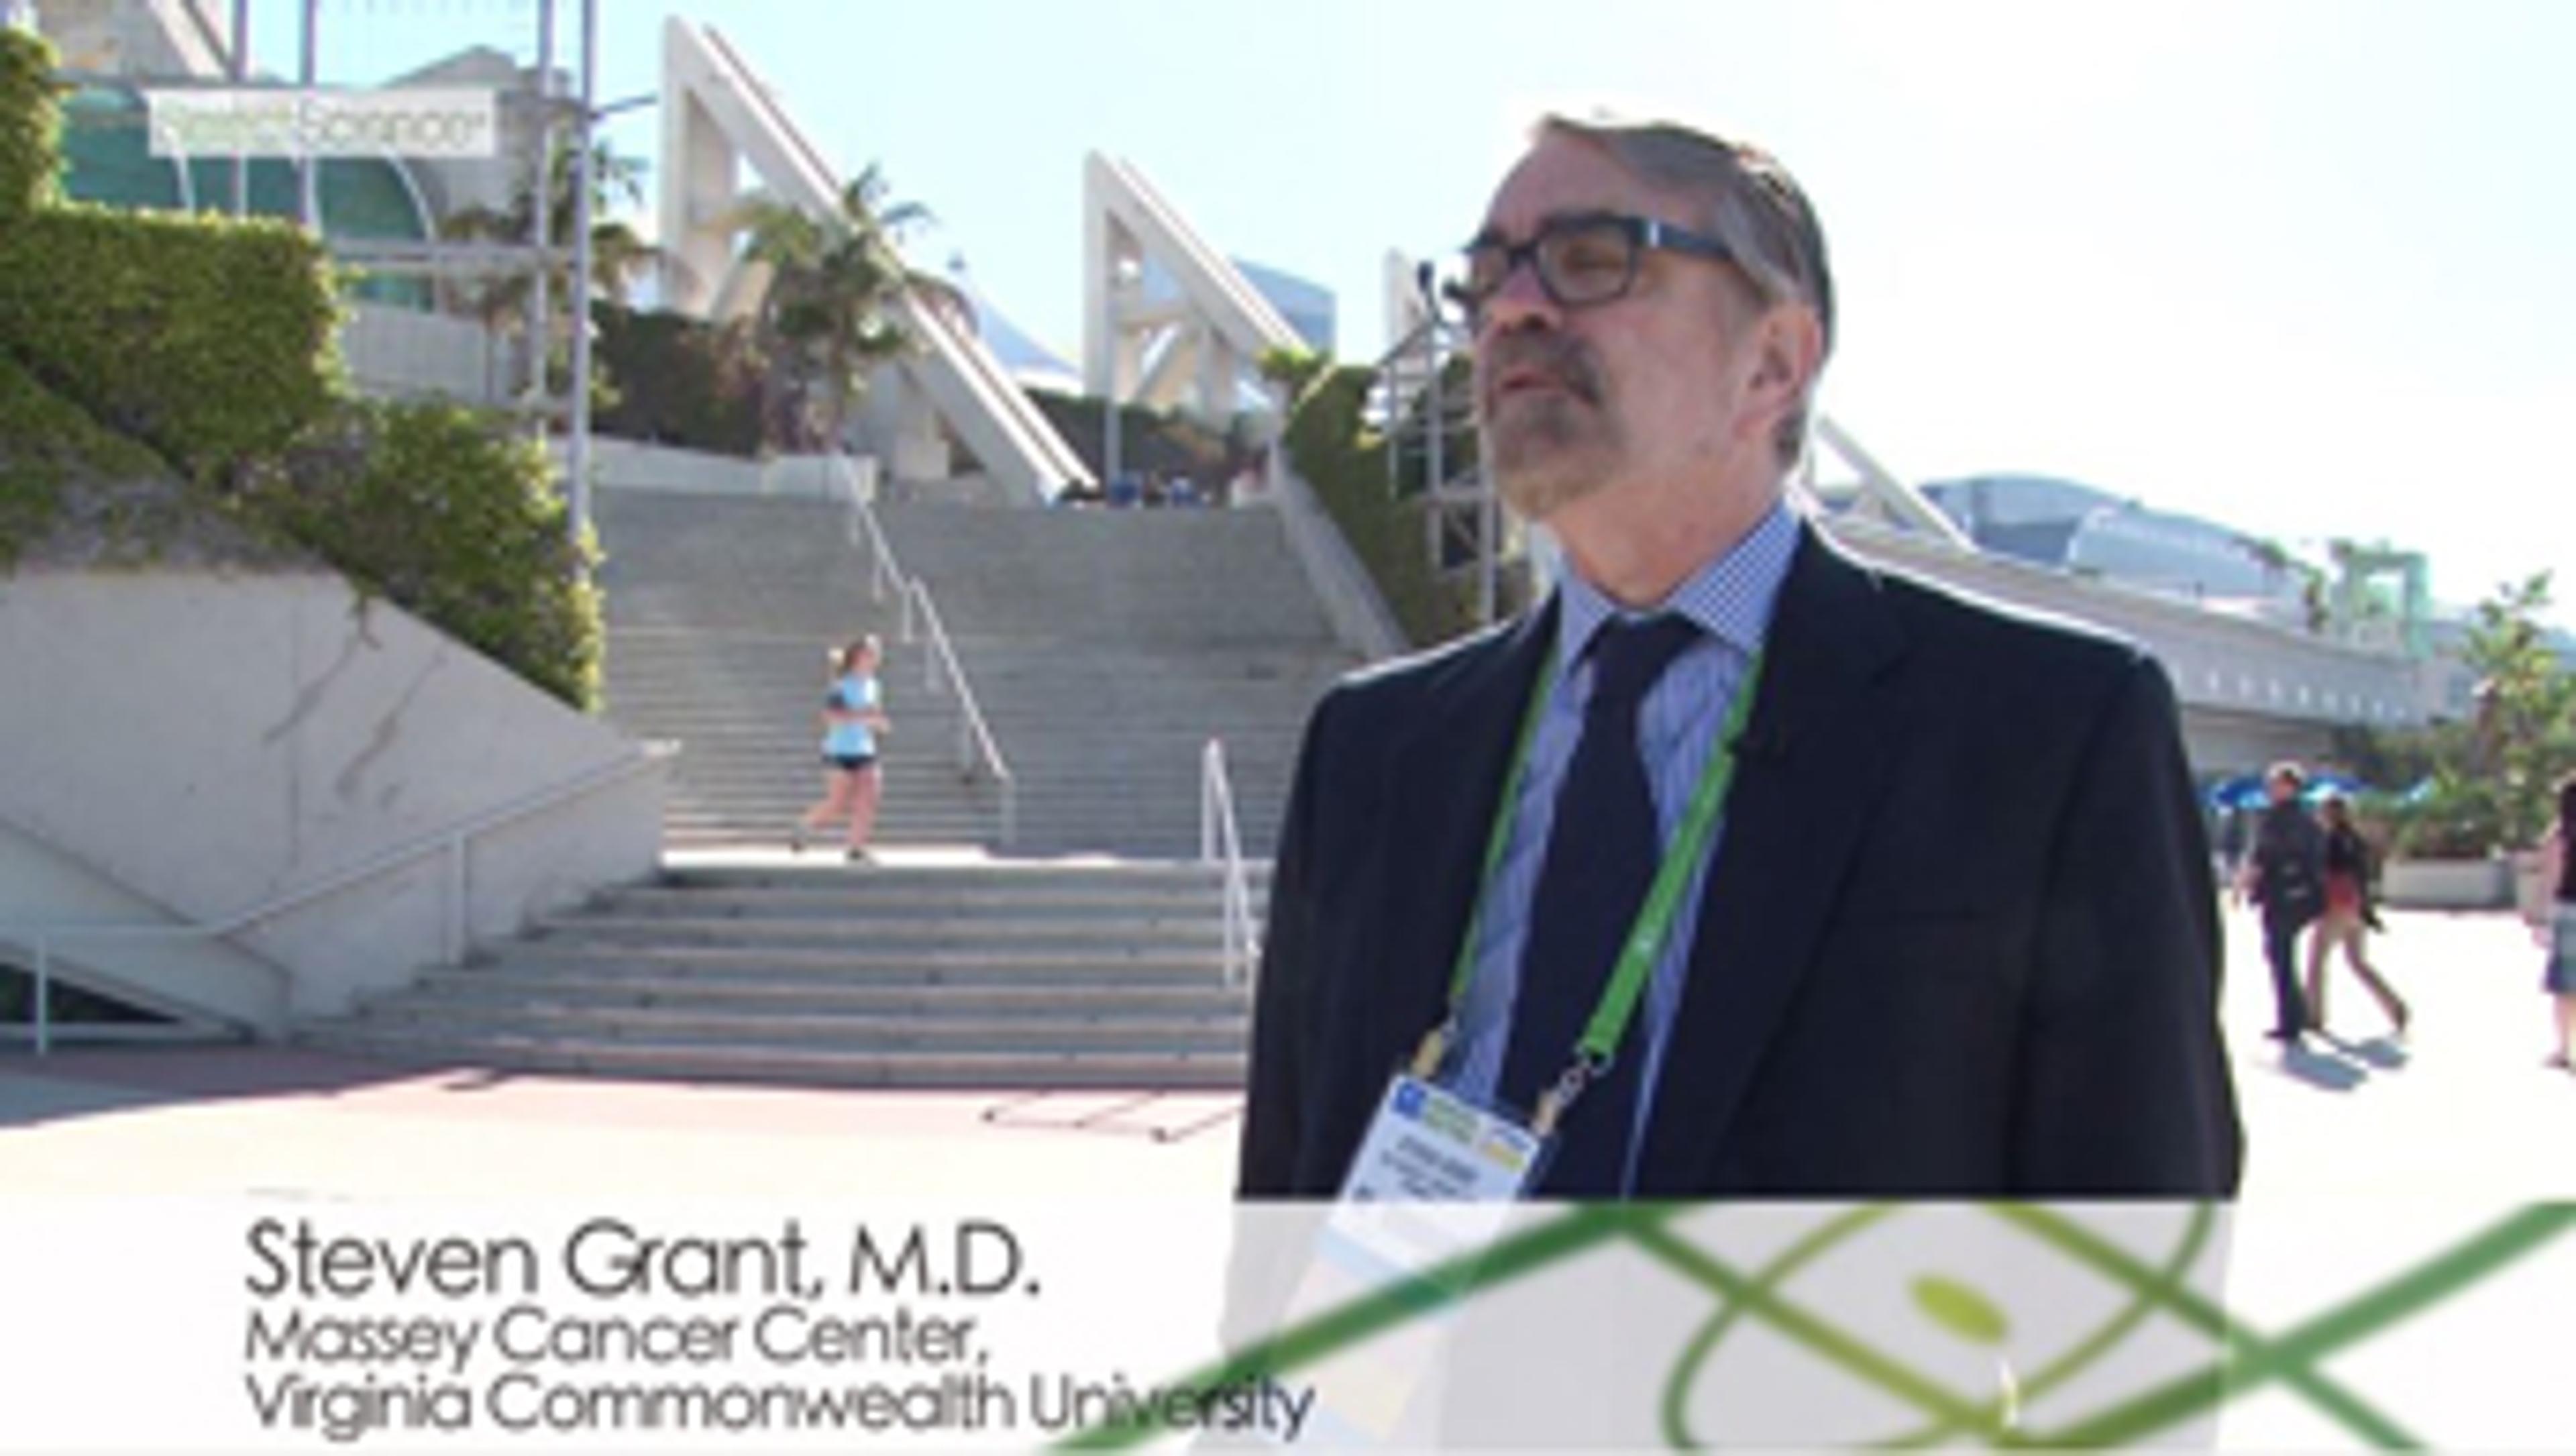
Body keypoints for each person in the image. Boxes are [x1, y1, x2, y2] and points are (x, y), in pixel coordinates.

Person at [1234, 113, 2241, 1199]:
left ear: (1773, 363)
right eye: (1486, 280)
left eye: (1589, 259)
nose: (1514, 309)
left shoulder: (2048, 734)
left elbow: (2130, 1264)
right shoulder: (1373, 750)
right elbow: (1284, 1210)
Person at [2302, 792, 2408, 1037]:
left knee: (2317, 959)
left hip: (2336, 904)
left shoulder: (2331, 841)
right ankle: (2393, 1005)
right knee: (2358, 962)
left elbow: (2326, 874)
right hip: (2356, 905)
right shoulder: (2356, 840)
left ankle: (2314, 1014)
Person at [2236, 762, 2323, 1045]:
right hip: (2297, 894)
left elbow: (2265, 855)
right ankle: (2295, 1014)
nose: (2270, 789)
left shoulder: (2282, 820)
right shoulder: (2304, 819)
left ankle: (2291, 1019)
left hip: (2283, 894)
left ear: (2290, 787)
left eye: (2275, 784)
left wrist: (2248, 881)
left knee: (2280, 954)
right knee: (2281, 954)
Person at [792, 635, 889, 864]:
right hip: (839, 750)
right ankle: (805, 824)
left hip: (865, 749)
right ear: (857, 657)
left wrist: (879, 724)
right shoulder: (841, 686)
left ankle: (856, 848)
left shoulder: (874, 685)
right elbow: (830, 717)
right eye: (870, 653)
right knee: (838, 803)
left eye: (877, 654)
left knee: (870, 796)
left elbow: (873, 714)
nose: (875, 658)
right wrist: (862, 717)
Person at [2533, 773, 2576, 1072]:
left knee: (2566, 986)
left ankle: (2564, 1049)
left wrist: (2541, 917)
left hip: (2569, 908)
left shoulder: (2561, 833)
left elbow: (2551, 871)